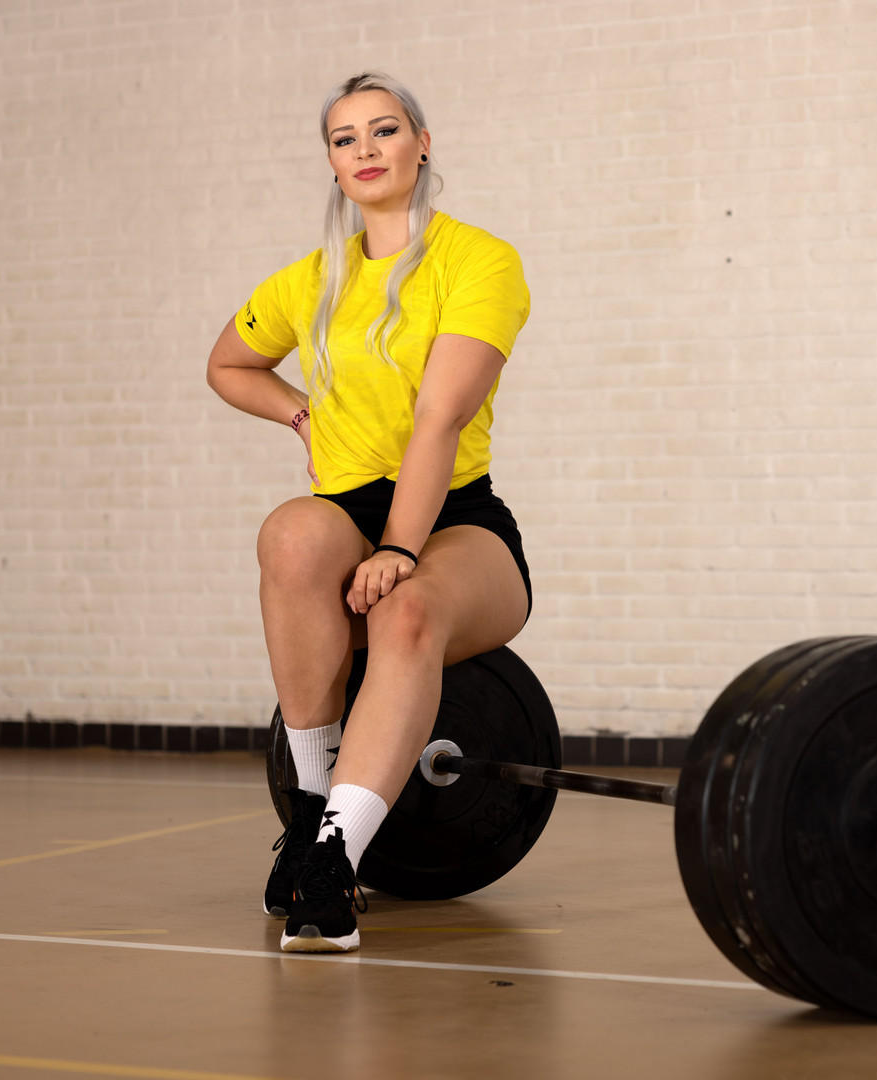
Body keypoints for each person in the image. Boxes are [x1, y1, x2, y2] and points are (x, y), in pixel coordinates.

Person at [205, 72, 533, 953]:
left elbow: (441, 418)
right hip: (345, 508)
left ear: (421, 143)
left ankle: (329, 862)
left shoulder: (480, 260)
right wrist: (297, 411)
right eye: (345, 139)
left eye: (384, 131)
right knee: (290, 532)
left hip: (455, 516)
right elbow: (227, 364)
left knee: (408, 604)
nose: (366, 151)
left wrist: (399, 546)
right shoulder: (310, 280)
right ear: (332, 164)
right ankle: (314, 813)